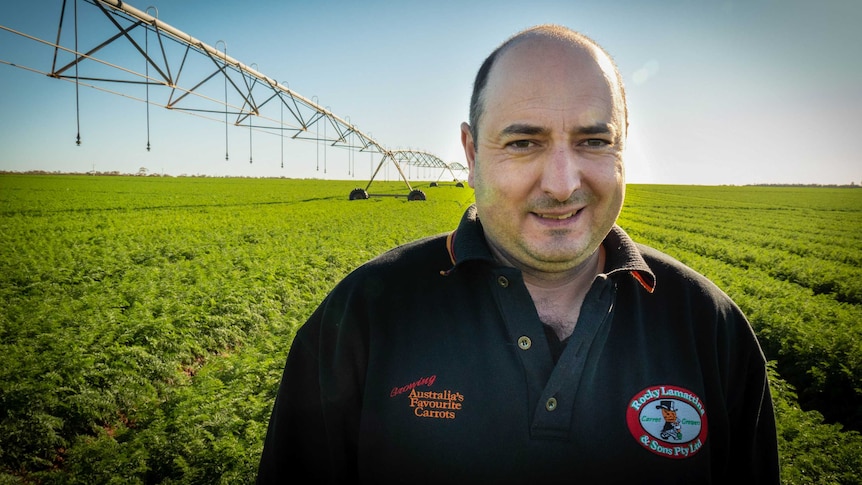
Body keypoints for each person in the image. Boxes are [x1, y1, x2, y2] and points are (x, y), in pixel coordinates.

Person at [257, 24, 780, 483]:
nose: (561, 184)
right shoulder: (364, 313)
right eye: (524, 142)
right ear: (471, 152)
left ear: (624, 147)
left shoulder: (708, 325)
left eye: (594, 141)